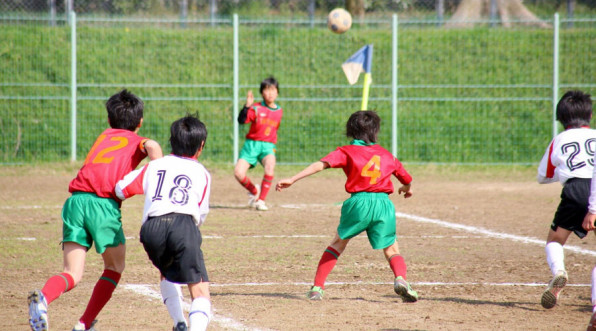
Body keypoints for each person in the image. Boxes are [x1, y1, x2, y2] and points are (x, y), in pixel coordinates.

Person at [27, 89, 163, 331]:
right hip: (102, 205)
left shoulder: (104, 136)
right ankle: (83, 323)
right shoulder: (136, 140)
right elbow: (151, 145)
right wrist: (157, 165)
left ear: (109, 120)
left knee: (72, 273)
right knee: (114, 267)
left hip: (75, 201)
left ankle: (44, 299)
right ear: (140, 122)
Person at [275, 110, 419, 302]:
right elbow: (407, 179)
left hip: (358, 203)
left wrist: (293, 179)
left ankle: (317, 288)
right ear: (375, 131)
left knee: (337, 244)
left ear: (351, 130)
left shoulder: (346, 151)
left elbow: (320, 165)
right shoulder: (387, 155)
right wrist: (406, 189)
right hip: (383, 204)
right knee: (392, 249)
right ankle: (401, 279)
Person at [115, 114, 212, 331]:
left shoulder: (155, 165)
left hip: (151, 229)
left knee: (166, 271)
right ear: (201, 146)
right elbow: (201, 212)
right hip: (183, 225)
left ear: (171, 141)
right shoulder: (202, 172)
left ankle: (179, 323)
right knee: (200, 290)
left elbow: (121, 189)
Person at [536, 90, 596, 310]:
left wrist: (563, 172)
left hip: (574, 190)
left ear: (560, 119)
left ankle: (559, 271)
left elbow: (543, 175)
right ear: (590, 116)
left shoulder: (559, 139)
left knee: (555, 240)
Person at [234, 76, 283, 211]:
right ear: (262, 93)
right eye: (267, 90)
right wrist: (247, 106)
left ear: (277, 92)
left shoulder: (279, 111)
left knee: (270, 166)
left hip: (268, 146)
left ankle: (261, 200)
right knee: (238, 173)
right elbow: (241, 120)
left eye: (273, 90)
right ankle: (254, 190)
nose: (270, 93)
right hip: (251, 145)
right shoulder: (256, 108)